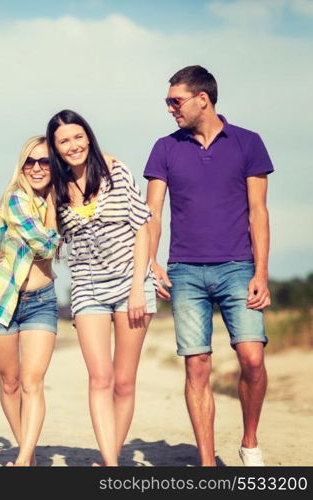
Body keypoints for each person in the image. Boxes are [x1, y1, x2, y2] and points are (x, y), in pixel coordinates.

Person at [144, 65, 273, 466]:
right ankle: (205, 463)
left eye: (175, 101)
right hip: (185, 271)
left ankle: (249, 442)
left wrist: (261, 272)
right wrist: (151, 262)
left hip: (238, 267)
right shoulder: (165, 148)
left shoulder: (248, 143)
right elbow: (152, 213)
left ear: (203, 98)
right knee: (197, 365)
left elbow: (258, 213)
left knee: (252, 359)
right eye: (168, 102)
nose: (170, 109)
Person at [48, 109, 155, 466]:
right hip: (87, 288)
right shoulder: (56, 187)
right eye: (64, 141)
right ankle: (110, 464)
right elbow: (46, 236)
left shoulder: (114, 169)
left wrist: (138, 287)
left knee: (124, 381)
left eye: (78, 137)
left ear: (89, 137)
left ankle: (113, 453)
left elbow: (142, 226)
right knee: (100, 377)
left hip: (131, 283)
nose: (73, 145)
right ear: (56, 148)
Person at [0, 135, 60, 466]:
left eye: (45, 161)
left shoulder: (59, 198)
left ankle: (25, 458)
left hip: (41, 300)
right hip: (2, 302)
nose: (38, 168)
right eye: (31, 161)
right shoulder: (15, 198)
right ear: (22, 165)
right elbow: (45, 246)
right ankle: (25, 452)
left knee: (32, 382)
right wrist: (54, 215)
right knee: (10, 384)